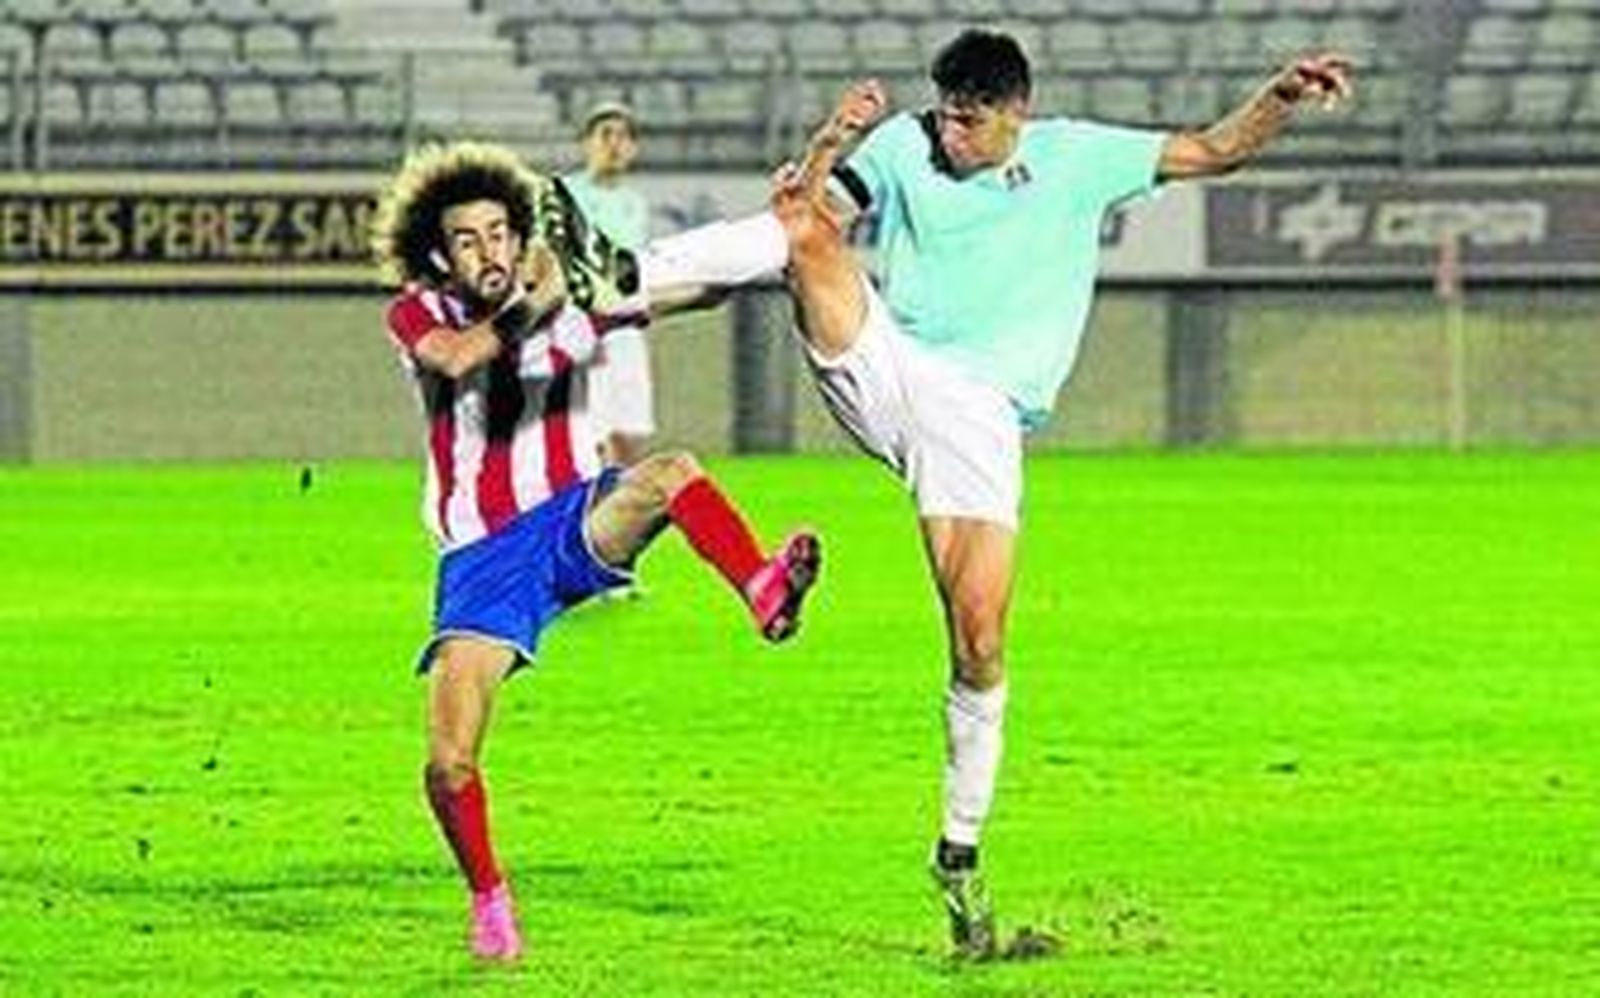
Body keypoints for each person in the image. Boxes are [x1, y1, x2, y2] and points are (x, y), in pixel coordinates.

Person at [764, 31, 1353, 958]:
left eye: (971, 120)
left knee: (980, 639)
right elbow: (808, 215)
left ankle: (958, 853)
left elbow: (1215, 150)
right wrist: (833, 142)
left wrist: (1279, 96)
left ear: (1017, 114)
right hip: (897, 370)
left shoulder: (1077, 155)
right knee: (794, 240)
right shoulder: (905, 146)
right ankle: (623, 283)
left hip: (981, 420)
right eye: (946, 114)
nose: (951, 134)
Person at [370, 141, 821, 962]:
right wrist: (541, 299)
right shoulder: (420, 313)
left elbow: (690, 289)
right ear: (442, 255)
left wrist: (781, 246)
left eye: (501, 233)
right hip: (483, 562)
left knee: (671, 472)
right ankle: (490, 900)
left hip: (574, 518)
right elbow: (460, 359)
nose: (489, 251)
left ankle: (759, 585)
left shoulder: (571, 304)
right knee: (448, 766)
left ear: (519, 234)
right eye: (468, 240)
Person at [563, 102, 656, 468]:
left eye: (623, 136)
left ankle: (625, 517)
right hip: (582, 323)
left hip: (626, 325)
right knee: (589, 436)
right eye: (606, 135)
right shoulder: (566, 195)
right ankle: (589, 517)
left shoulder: (635, 203)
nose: (615, 144)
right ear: (587, 143)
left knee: (631, 433)